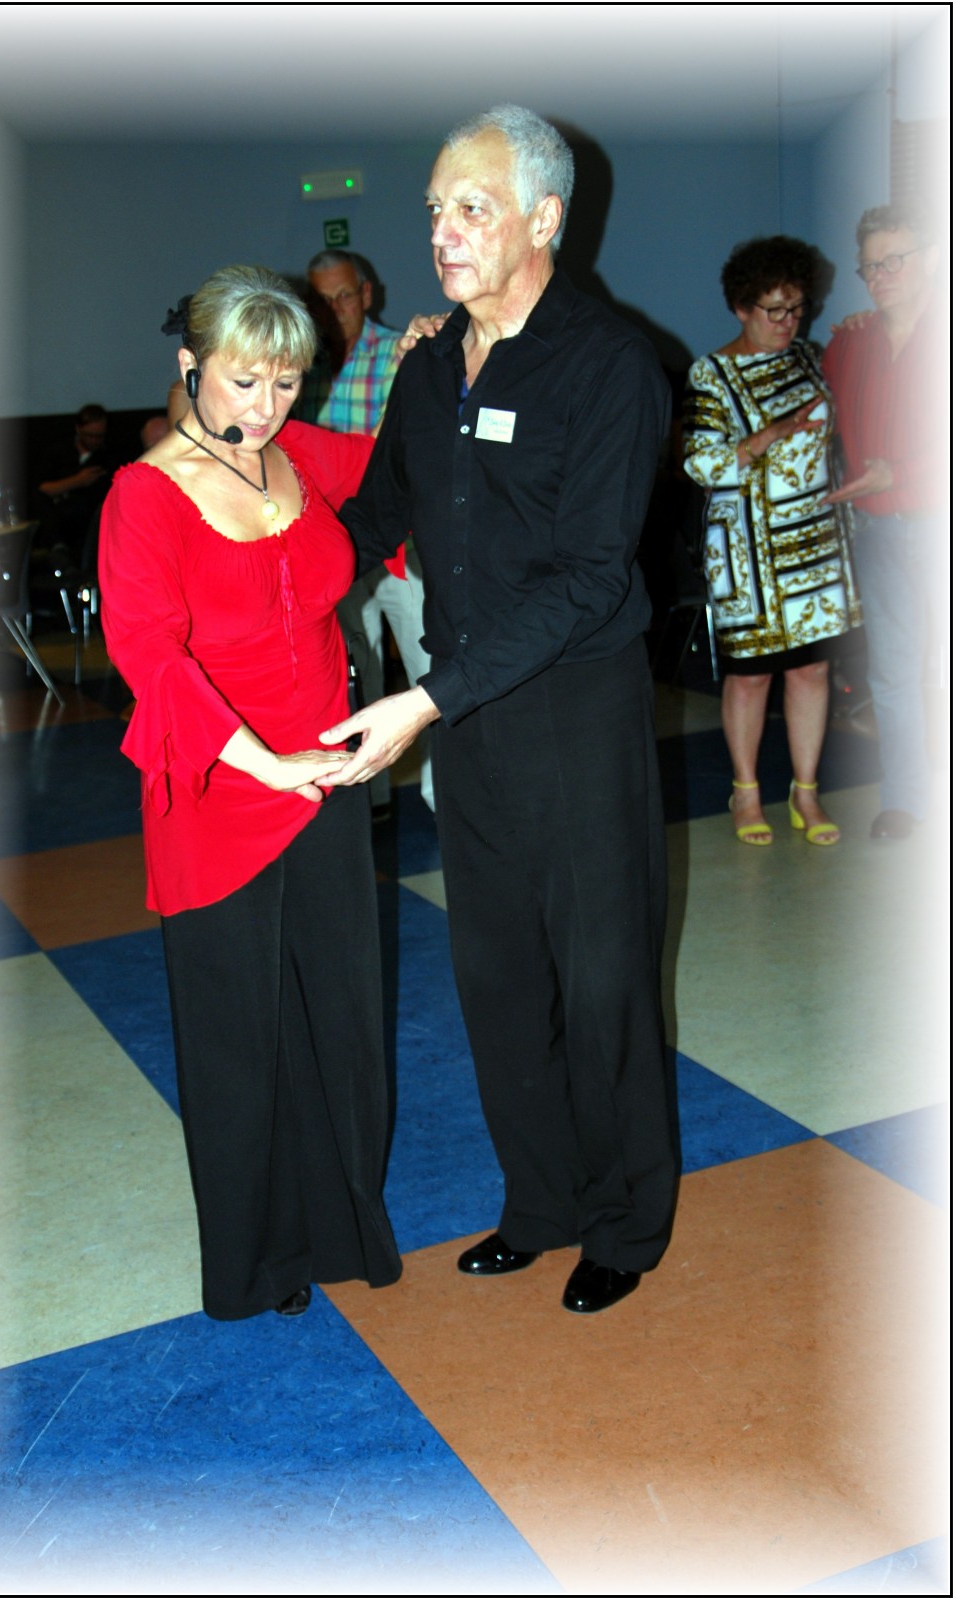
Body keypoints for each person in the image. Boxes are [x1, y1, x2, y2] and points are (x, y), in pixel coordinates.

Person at [321, 105, 679, 1316]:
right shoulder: (427, 368)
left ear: (544, 219)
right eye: (435, 209)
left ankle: (625, 1221)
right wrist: (255, 582)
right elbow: (373, 520)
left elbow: (589, 579)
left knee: (604, 978)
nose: (444, 231)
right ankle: (541, 1202)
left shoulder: (611, 364)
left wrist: (422, 700)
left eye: (472, 208)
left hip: (575, 717)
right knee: (498, 975)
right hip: (470, 719)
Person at [98, 265, 402, 1321]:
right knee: (241, 1034)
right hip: (221, 787)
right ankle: (258, 1260)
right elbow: (148, 653)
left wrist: (447, 366)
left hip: (328, 773)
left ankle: (341, 1225)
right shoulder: (146, 493)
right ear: (191, 367)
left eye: (285, 382)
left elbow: (405, 467)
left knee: (341, 1016)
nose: (266, 406)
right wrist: (264, 762)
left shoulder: (297, 454)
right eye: (243, 381)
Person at [683, 236, 862, 846]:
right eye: (774, 310)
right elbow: (699, 464)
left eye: (797, 308)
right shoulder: (712, 373)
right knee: (753, 676)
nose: (788, 322)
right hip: (749, 554)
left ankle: (805, 791)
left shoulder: (811, 358)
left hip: (818, 542)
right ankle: (746, 791)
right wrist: (767, 437)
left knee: (812, 670)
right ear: (741, 307)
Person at [822, 203, 946, 841]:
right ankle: (907, 799)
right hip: (880, 533)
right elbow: (814, 412)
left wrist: (898, 472)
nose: (879, 276)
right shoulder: (849, 343)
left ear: (931, 259)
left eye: (893, 261)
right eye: (870, 266)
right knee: (892, 673)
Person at [300, 250, 434, 815]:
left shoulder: (401, 353)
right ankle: (370, 800)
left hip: (400, 545)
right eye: (323, 300)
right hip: (332, 549)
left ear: (367, 295)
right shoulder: (303, 366)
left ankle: (444, 796)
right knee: (357, 672)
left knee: (431, 670)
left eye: (344, 296)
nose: (336, 309)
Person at [37, 402, 115, 562]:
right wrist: (78, 481)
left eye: (99, 436)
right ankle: (58, 549)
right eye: (90, 435)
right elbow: (42, 488)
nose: (94, 440)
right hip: (55, 517)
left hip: (86, 521)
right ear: (78, 429)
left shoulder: (108, 457)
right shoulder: (59, 451)